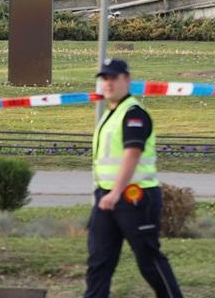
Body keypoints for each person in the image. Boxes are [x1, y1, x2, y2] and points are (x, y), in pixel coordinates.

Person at [85, 59, 183, 298]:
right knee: (99, 261)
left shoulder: (133, 114)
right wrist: (105, 193)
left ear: (127, 80)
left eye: (113, 78)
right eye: (104, 78)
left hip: (135, 197)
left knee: (149, 260)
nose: (107, 83)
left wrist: (116, 192)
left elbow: (132, 153)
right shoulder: (112, 114)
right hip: (107, 196)